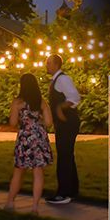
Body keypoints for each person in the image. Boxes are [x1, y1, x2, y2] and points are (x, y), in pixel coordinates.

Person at [3, 73, 54, 213]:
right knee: (38, 173)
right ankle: (35, 207)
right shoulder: (41, 102)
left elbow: (13, 122)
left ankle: (10, 203)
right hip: (39, 138)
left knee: (19, 171)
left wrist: (22, 120)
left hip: (25, 138)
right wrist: (39, 122)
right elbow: (49, 122)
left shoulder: (18, 102)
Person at [45, 54, 80, 205]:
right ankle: (72, 190)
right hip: (64, 123)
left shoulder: (63, 79)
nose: (46, 66)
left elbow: (74, 97)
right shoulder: (56, 80)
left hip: (68, 122)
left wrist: (60, 108)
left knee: (64, 156)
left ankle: (63, 194)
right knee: (67, 155)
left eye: (48, 63)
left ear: (55, 64)